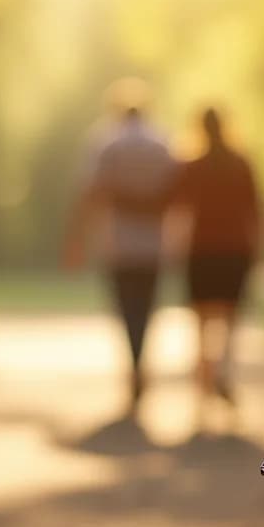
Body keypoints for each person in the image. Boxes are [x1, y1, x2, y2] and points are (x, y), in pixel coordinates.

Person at [63, 105, 178, 418]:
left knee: (127, 310)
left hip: (118, 244)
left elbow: (90, 191)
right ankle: (140, 364)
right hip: (154, 245)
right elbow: (176, 192)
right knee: (146, 310)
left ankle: (135, 365)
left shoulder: (106, 142)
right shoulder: (163, 144)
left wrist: (76, 240)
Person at [166, 107, 264, 418]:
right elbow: (256, 210)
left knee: (201, 322)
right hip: (236, 249)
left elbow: (177, 207)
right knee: (230, 319)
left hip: (202, 249)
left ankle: (204, 383)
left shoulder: (192, 165)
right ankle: (223, 371)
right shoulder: (241, 163)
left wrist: (172, 246)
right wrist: (260, 248)